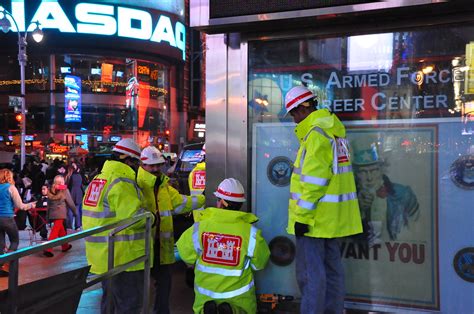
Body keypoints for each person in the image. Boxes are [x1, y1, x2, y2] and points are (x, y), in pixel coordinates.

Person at [284, 86, 362, 314]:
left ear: (302, 109)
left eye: (293, 114)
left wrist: (302, 218)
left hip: (314, 222)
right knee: (333, 272)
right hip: (331, 220)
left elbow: (314, 182)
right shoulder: (333, 132)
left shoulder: (316, 135)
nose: (293, 120)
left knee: (311, 276)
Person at [176, 178, 270, 314]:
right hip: (239, 298)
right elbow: (260, 263)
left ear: (220, 202)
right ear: (240, 205)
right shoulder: (251, 234)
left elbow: (185, 254)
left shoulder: (200, 228)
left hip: (206, 296)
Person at [82, 138, 153, 314]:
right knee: (129, 306)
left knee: (109, 304)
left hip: (104, 256)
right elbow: (135, 218)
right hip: (124, 257)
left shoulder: (98, 180)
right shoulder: (121, 182)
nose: (137, 168)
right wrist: (152, 217)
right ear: (128, 161)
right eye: (136, 163)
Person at [137, 146, 205, 314]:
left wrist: (205, 198)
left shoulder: (164, 186)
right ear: (142, 165)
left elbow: (181, 202)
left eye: (158, 165)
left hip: (161, 247)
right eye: (151, 166)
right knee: (139, 290)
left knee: (164, 286)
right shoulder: (136, 184)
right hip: (141, 247)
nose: (156, 169)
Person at [352, 144, 419, 245]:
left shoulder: (404, 194)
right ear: (356, 174)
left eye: (373, 170)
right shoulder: (349, 197)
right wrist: (358, 210)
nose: (369, 178)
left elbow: (417, 227)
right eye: (363, 172)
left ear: (381, 170)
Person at [0, 168, 36, 276]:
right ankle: (6, 263)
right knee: (14, 241)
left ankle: (1, 267)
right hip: (7, 218)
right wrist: (31, 205)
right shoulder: (11, 188)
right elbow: (20, 206)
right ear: (9, 177)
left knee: (0, 244)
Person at [43, 175, 77, 257]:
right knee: (54, 232)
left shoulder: (50, 189)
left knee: (61, 230)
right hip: (61, 213)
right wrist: (75, 212)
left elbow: (48, 204)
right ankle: (48, 249)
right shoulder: (64, 190)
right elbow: (70, 203)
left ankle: (65, 246)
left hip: (52, 213)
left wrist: (47, 215)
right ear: (62, 182)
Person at [65, 162, 84, 230]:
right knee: (77, 210)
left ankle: (69, 226)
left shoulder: (71, 176)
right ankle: (78, 226)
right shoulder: (79, 176)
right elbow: (81, 185)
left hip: (71, 194)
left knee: (70, 210)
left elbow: (68, 186)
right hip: (79, 194)